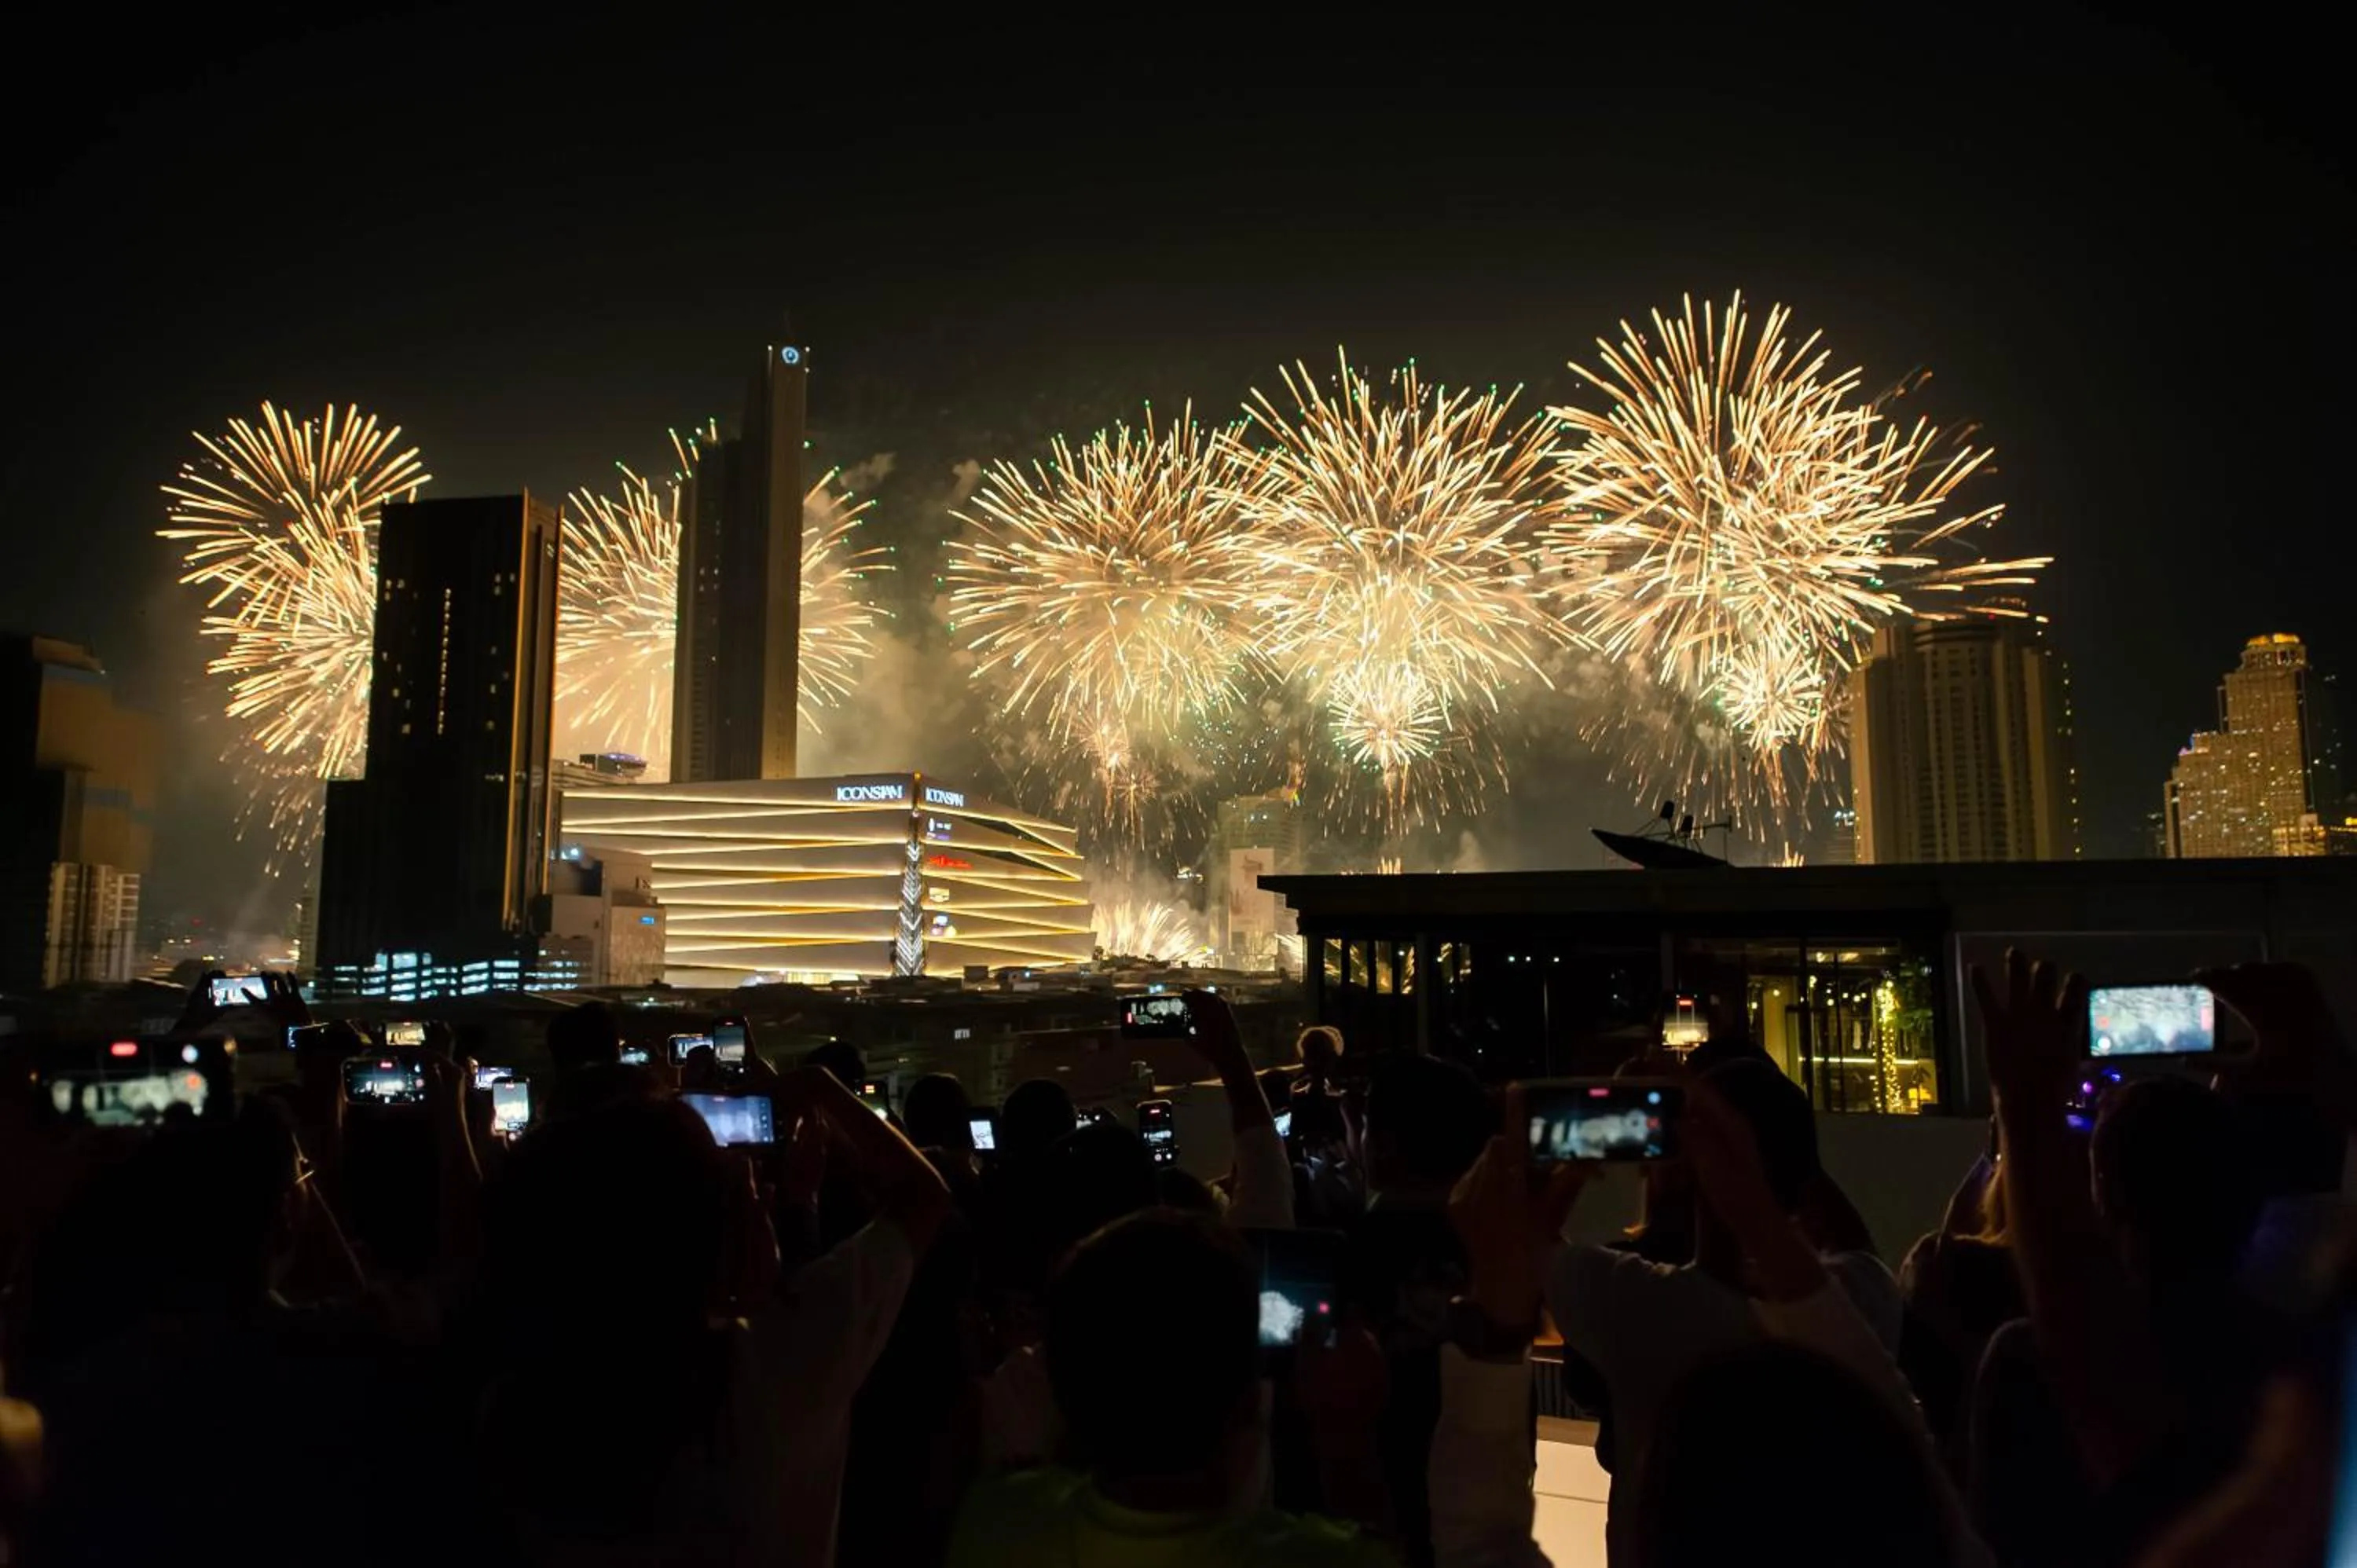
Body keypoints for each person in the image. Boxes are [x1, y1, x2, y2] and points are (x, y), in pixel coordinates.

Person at [475, 1061, 949, 1567]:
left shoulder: (517, 1406)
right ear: (708, 1239)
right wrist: (819, 1088)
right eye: (745, 1194)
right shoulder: (780, 1365)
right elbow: (923, 1197)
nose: (763, 1198)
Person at [1543, 1057, 1904, 1564]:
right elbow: (1855, 1245)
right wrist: (1772, 1157)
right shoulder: (1861, 1298)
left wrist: (1597, 1135)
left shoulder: (1637, 1303)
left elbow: (1526, 1240)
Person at [947, 1209, 1395, 1567]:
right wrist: (1347, 1444)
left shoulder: (994, 1520)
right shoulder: (1321, 1558)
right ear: (1250, 1401)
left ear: (1062, 1391)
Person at [1343, 1053, 1493, 1566]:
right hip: (1483, 1497)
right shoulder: (1503, 1245)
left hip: (1382, 1510)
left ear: (1381, 1147)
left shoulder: (1348, 1252)